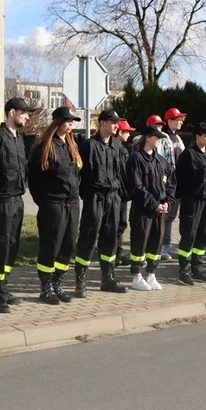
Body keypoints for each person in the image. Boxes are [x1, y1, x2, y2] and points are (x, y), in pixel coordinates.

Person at [0, 97, 36, 313]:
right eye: (24, 112)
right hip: (1, 201)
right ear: (12, 113)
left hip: (17, 200)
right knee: (0, 246)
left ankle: (4, 287)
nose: (27, 116)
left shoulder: (18, 139)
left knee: (12, 247)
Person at [28, 106, 82, 305]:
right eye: (68, 121)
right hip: (53, 204)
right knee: (51, 246)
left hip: (72, 204)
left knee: (68, 246)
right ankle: (46, 287)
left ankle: (58, 282)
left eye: (72, 122)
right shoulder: (45, 146)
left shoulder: (71, 145)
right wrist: (43, 200)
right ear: (57, 122)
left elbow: (77, 175)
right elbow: (34, 179)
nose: (70, 124)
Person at [74, 109, 127, 297]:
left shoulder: (118, 147)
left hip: (113, 198)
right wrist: (87, 196)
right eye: (113, 122)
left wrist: (121, 196)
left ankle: (108, 278)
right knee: (88, 237)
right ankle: (80, 280)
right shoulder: (90, 145)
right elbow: (81, 175)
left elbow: (122, 173)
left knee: (111, 238)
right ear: (102, 123)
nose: (116, 125)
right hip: (95, 197)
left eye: (117, 122)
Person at [126, 123, 175, 291]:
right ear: (147, 137)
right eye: (157, 138)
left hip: (160, 211)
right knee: (139, 242)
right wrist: (154, 205)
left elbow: (170, 182)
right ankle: (137, 276)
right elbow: (136, 186)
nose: (160, 141)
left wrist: (167, 201)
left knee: (156, 242)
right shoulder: (136, 159)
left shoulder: (161, 161)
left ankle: (151, 274)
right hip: (143, 210)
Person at [174, 122, 206, 285]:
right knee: (189, 234)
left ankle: (197, 268)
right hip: (192, 201)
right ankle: (183, 271)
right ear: (198, 136)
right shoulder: (188, 155)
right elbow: (179, 178)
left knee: (203, 235)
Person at [160, 107, 187, 256]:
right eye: (178, 119)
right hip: (168, 183)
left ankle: (167, 243)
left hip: (177, 183)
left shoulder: (178, 138)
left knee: (171, 216)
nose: (181, 122)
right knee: (165, 215)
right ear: (169, 121)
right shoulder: (164, 137)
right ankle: (161, 245)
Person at [114, 119, 137, 261]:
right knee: (116, 224)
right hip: (117, 194)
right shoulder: (118, 149)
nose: (129, 135)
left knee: (121, 224)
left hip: (121, 194)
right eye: (127, 132)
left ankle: (118, 252)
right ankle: (114, 254)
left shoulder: (122, 149)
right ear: (119, 132)